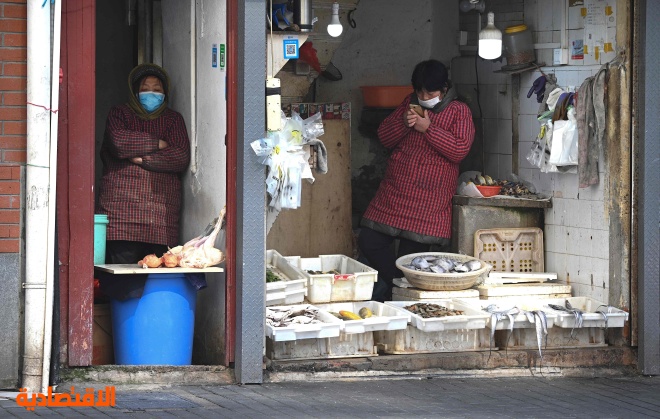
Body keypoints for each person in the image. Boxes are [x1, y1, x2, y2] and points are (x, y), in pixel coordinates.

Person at [358, 59, 475, 302]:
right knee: (369, 240)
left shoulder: (459, 111)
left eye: (430, 92)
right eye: (419, 91)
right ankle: (395, 286)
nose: (424, 96)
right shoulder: (409, 103)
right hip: (395, 192)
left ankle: (402, 300)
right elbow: (384, 137)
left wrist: (428, 129)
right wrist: (403, 123)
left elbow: (459, 150)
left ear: (444, 88)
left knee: (412, 260)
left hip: (428, 201)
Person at [97, 63, 191, 265]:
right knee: (124, 282)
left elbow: (180, 156)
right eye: (145, 88)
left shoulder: (173, 120)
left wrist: (144, 159)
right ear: (134, 91)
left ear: (165, 93)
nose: (151, 93)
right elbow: (119, 142)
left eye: (157, 89)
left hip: (159, 220)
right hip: (121, 216)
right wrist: (157, 143)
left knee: (156, 277)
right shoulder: (119, 114)